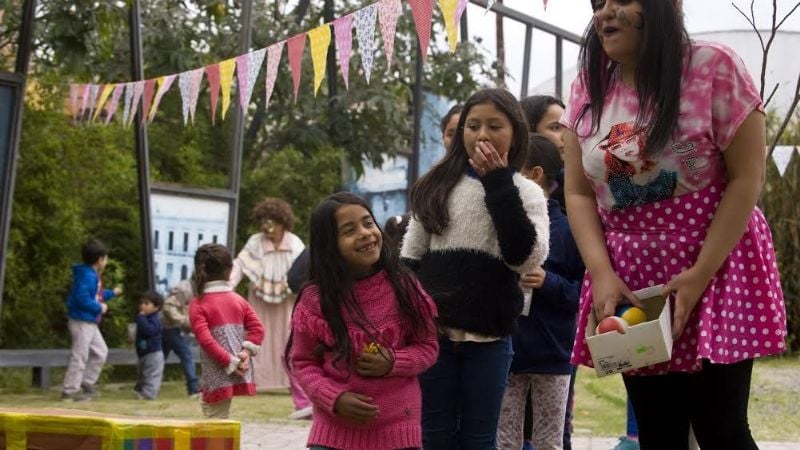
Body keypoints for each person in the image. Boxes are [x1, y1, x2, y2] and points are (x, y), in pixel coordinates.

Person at [562, 1, 787, 449]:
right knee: (657, 428)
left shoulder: (713, 67)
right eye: (597, 3)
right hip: (630, 278)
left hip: (714, 266)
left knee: (719, 426)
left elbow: (747, 177)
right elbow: (579, 192)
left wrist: (701, 272)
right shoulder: (589, 83)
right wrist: (602, 273)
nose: (605, 12)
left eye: (620, 0)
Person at [402, 88, 551, 449]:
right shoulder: (437, 184)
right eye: (473, 126)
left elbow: (526, 257)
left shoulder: (526, 192)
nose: (482, 135)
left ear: (515, 132)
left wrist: (498, 184)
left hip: (490, 340)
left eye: (494, 126)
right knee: (434, 434)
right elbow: (410, 256)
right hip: (434, 336)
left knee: (480, 438)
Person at [287, 192, 439, 450]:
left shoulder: (405, 287)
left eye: (368, 222)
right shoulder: (315, 300)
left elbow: (428, 347)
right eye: (349, 230)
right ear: (329, 244)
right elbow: (302, 362)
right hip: (332, 434)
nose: (365, 233)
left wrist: (393, 361)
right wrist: (334, 398)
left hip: (398, 433)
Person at [497, 134, 584, 450]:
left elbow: (583, 294)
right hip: (505, 354)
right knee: (504, 441)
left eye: (509, 169)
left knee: (550, 441)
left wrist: (548, 281)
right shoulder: (500, 225)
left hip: (553, 355)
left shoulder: (570, 229)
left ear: (534, 175)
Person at [521, 95, 576, 450]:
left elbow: (582, 285)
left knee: (553, 435)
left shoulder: (576, 201)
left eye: (565, 126)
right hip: (512, 350)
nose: (563, 135)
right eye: (554, 127)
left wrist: (549, 282)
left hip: (554, 348)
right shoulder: (502, 214)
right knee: (506, 435)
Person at [230, 197, 310, 419]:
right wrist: (226, 287)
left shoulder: (294, 242)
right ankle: (250, 383)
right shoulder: (256, 241)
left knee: (289, 343)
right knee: (256, 341)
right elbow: (239, 264)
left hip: (287, 301)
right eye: (264, 221)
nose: (267, 226)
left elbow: (303, 270)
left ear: (282, 222)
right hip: (260, 302)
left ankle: (300, 395)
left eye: (271, 221)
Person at [190, 243, 265, 419]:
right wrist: (245, 352)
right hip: (234, 365)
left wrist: (228, 362)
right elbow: (257, 328)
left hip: (218, 372)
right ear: (230, 270)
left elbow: (205, 339)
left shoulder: (198, 303)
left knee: (215, 420)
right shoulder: (238, 300)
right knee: (215, 414)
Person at [61, 239, 122, 402]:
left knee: (101, 352)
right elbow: (82, 299)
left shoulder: (90, 275)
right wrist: (99, 308)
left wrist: (112, 294)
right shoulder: (87, 276)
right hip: (81, 321)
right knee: (80, 355)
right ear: (100, 260)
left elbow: (96, 295)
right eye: (106, 258)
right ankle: (70, 390)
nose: (106, 261)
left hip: (89, 322)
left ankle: (86, 382)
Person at [160, 279, 200, 398]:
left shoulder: (196, 290)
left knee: (159, 359)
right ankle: (193, 389)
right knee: (186, 355)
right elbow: (168, 306)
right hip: (169, 328)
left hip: (172, 328)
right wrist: (185, 321)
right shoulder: (184, 288)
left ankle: (143, 387)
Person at [134, 290, 165, 400]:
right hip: (144, 352)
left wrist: (141, 318)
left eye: (146, 303)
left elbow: (149, 331)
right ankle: (140, 390)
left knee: (152, 374)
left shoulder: (154, 319)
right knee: (142, 373)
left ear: (156, 307)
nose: (142, 306)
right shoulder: (144, 318)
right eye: (141, 303)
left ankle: (148, 393)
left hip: (154, 352)